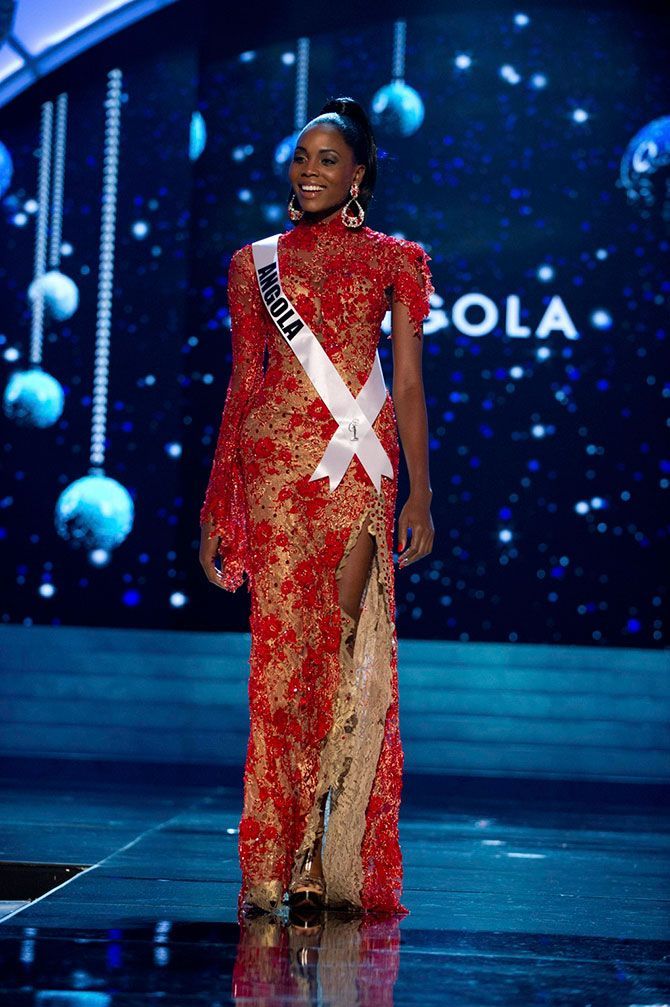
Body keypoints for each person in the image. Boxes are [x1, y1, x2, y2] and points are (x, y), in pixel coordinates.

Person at [199, 95, 435, 918]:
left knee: (333, 657)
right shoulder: (253, 260)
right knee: (277, 670)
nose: (309, 172)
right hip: (270, 476)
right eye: (301, 158)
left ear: (359, 173)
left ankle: (322, 843)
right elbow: (242, 384)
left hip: (354, 476)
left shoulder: (396, 260)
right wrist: (216, 502)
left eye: (328, 160)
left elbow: (405, 383)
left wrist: (422, 493)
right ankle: (279, 854)